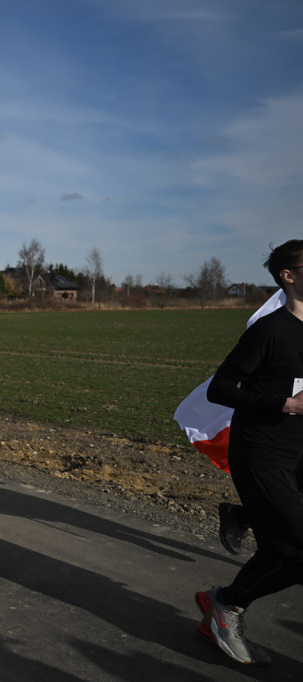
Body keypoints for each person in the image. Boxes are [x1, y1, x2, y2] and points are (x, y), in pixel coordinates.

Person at [194, 240, 303, 667]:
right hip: (261, 453)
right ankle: (227, 605)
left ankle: (244, 520)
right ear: (288, 277)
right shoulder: (269, 331)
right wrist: (284, 404)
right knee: (297, 550)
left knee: (286, 550)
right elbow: (221, 387)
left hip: (299, 454)